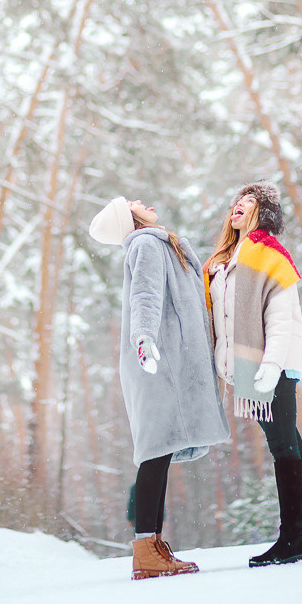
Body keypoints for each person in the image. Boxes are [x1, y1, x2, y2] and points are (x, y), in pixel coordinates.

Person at [205, 181, 302, 566]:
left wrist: (270, 365)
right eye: (236, 200)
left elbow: (282, 319)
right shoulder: (224, 260)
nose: (238, 205)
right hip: (247, 368)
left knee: (285, 449)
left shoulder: (269, 253)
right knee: (292, 447)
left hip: (274, 366)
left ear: (262, 212)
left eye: (248, 201)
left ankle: (292, 538)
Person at [89, 195, 230, 580]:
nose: (141, 200)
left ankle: (151, 545)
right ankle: (146, 549)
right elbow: (145, 296)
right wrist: (144, 338)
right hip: (156, 361)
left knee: (159, 454)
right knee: (154, 453)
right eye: (131, 202)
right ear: (129, 219)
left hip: (163, 360)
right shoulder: (148, 244)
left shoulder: (156, 244)